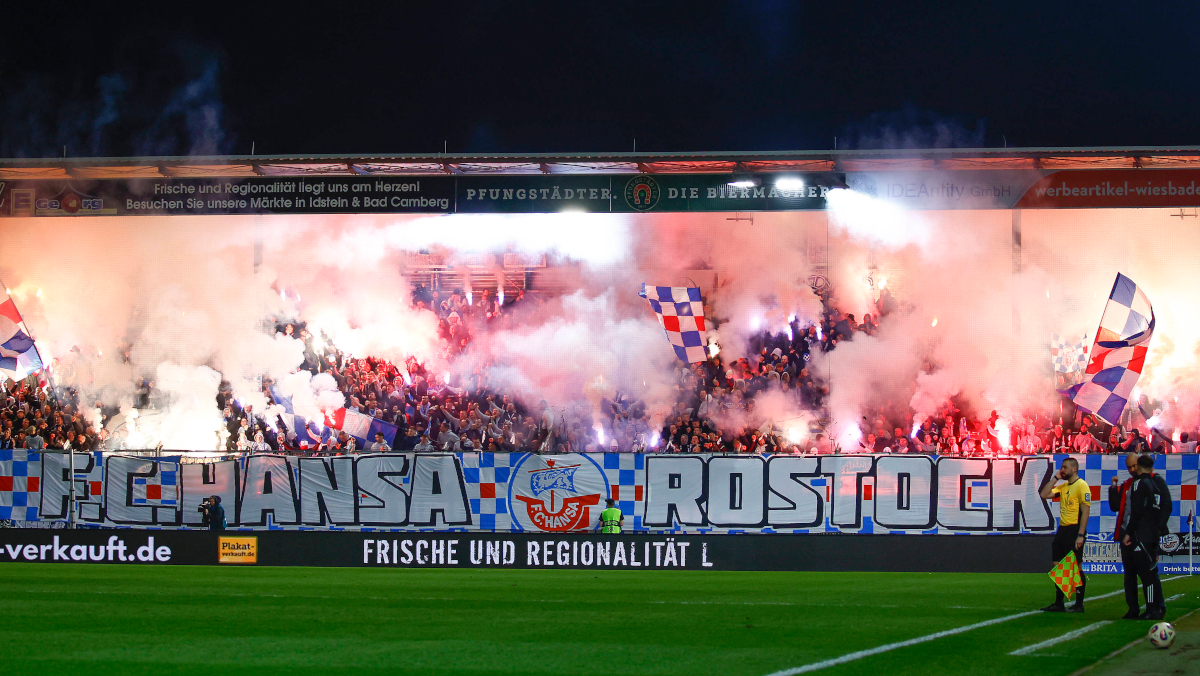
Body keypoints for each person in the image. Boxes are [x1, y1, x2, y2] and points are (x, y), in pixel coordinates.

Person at [1039, 457, 1090, 612]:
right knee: (1057, 565)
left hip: (1074, 529)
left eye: (1065, 467)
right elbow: (1044, 494)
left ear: (1074, 468)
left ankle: (1079, 604)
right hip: (1062, 529)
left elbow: (1085, 512)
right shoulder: (1064, 487)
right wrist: (1055, 477)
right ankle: (1059, 602)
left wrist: (1081, 534)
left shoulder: (1082, 486)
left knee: (1076, 566)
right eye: (1062, 467)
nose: (1063, 470)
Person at [1122, 454, 1169, 620]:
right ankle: (1153, 608)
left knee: (1146, 574)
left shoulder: (1139, 484)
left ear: (1139, 466)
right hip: (1151, 535)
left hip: (1140, 535)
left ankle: (1151, 609)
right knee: (1148, 573)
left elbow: (1137, 511)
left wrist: (1129, 532)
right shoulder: (1154, 486)